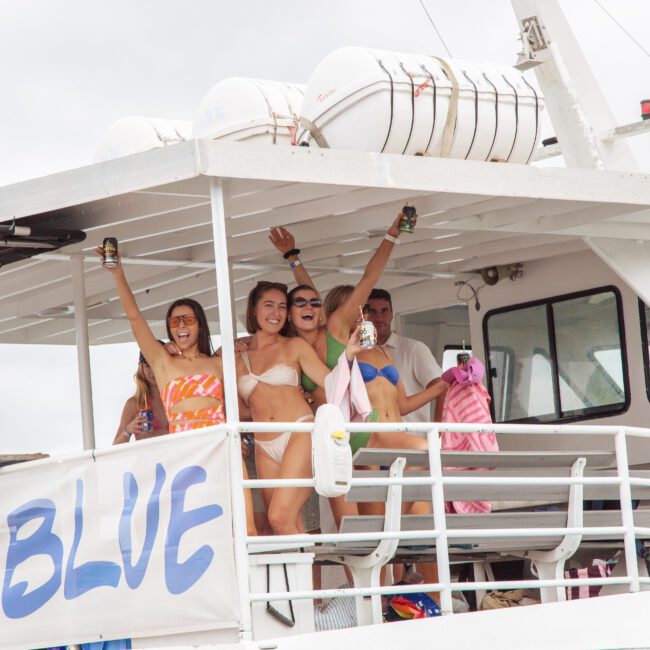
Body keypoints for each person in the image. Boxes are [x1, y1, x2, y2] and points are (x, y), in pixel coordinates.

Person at [96, 245, 256, 536]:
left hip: (221, 446)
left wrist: (240, 342)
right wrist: (118, 273)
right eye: (175, 321)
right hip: (185, 451)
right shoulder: (162, 362)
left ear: (200, 325)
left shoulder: (218, 363)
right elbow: (135, 320)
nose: (181, 325)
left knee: (244, 525)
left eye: (188, 319)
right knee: (194, 531)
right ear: (169, 329)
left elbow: (260, 350)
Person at [236, 280, 362, 535]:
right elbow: (242, 411)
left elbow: (331, 382)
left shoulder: (294, 346)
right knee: (283, 525)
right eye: (269, 305)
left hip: (299, 433)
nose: (276, 313)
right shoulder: (237, 356)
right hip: (263, 444)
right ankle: (304, 572)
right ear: (254, 309)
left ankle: (307, 566)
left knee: (279, 517)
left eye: (282, 307)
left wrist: (347, 354)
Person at [366, 288, 446, 425]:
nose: (379, 318)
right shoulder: (359, 353)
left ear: (392, 314)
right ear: (365, 316)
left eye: (384, 311)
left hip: (413, 441)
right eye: (373, 312)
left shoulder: (414, 349)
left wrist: (439, 431)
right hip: (373, 441)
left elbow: (442, 388)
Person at [113, 344, 169, 444]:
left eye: (157, 365)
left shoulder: (176, 399)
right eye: (148, 365)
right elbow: (115, 446)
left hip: (178, 458)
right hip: (148, 459)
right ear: (141, 368)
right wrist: (128, 430)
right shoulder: (134, 404)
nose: (153, 371)